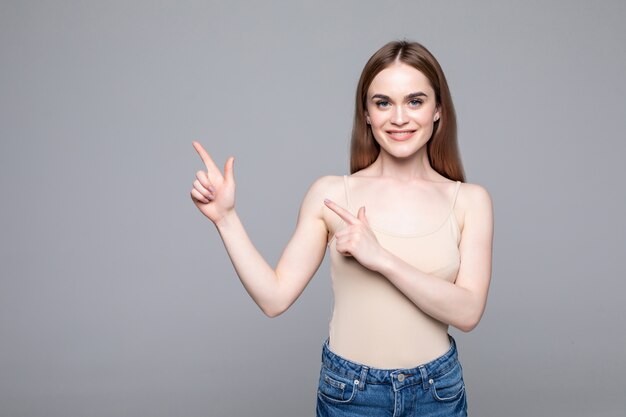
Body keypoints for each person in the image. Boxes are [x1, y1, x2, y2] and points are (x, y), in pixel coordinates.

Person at [190, 40, 493, 417]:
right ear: (366, 114)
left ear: (437, 111)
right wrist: (225, 219)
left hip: (437, 394)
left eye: (415, 101)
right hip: (352, 395)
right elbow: (274, 298)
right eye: (383, 102)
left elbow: (467, 313)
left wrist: (380, 258)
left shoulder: (469, 201)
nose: (399, 117)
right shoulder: (332, 194)